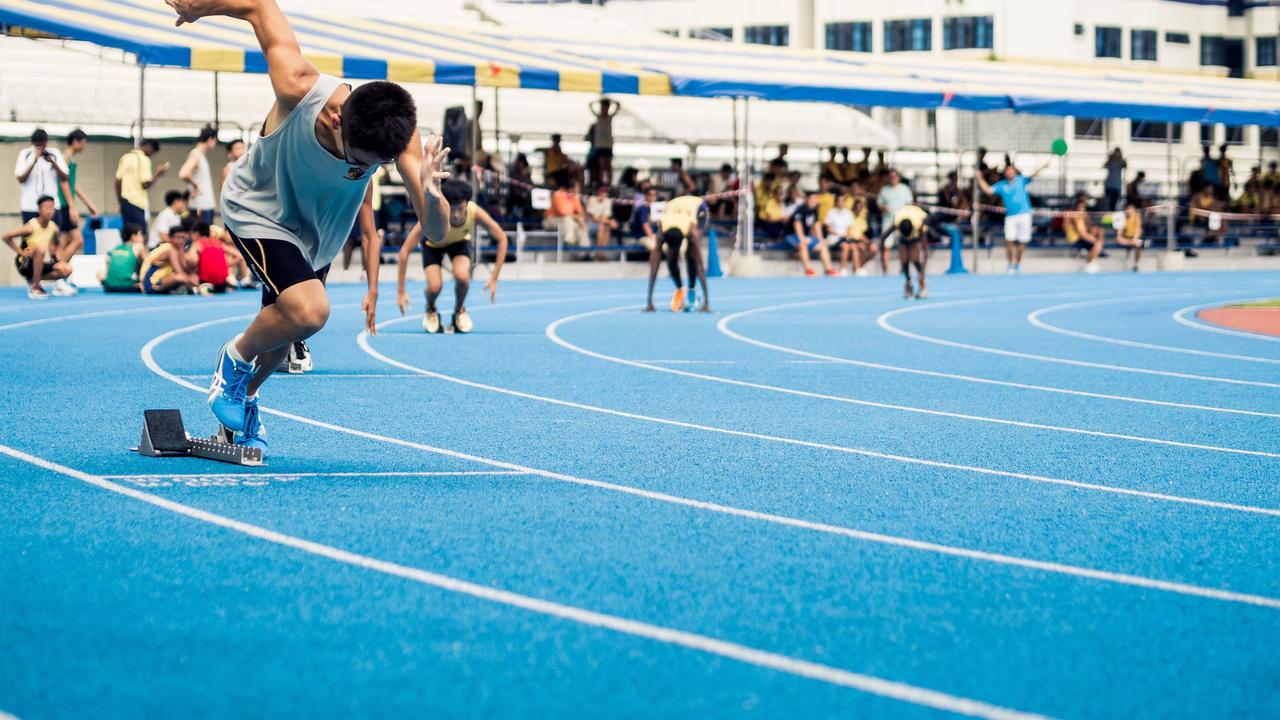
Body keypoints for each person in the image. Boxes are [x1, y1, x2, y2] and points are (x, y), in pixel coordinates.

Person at [170, 0, 450, 458]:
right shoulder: (299, 87)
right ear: (338, 119)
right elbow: (259, 7)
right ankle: (233, 359)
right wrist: (203, 7)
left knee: (280, 341)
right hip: (257, 209)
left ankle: (247, 396)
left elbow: (435, 231)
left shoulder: (397, 139)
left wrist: (432, 194)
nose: (365, 170)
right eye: (361, 163)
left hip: (313, 237)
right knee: (310, 311)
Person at [397, 179, 508, 334]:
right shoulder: (432, 214)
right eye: (451, 209)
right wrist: (401, 291)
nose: (455, 215)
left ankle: (459, 311)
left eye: (460, 209)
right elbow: (404, 251)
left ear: (467, 204)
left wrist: (494, 278)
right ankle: (430, 308)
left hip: (459, 243)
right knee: (435, 287)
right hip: (433, 245)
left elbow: (502, 238)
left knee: (463, 277)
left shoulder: (474, 211)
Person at [975, 159, 1051, 273]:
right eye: (1008, 171)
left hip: (1025, 215)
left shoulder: (1022, 180)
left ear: (1015, 172)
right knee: (1009, 240)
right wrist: (979, 178)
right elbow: (988, 190)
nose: (1010, 172)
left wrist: (1043, 166)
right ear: (1005, 173)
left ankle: (1018, 263)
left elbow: (1034, 174)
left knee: (1022, 241)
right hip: (1010, 217)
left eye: (1012, 170)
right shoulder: (1001, 185)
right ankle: (1010, 265)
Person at [644, 195, 710, 313]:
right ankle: (680, 288)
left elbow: (700, 265)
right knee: (671, 258)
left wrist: (707, 303)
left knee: (692, 253)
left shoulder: (691, 231)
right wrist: (649, 302)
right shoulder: (662, 229)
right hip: (673, 206)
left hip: (698, 207)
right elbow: (653, 267)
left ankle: (692, 290)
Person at [2, 196, 74, 300]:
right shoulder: (31, 227)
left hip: (41, 263)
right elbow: (5, 237)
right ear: (39, 210)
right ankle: (34, 287)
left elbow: (57, 243)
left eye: (51, 207)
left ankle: (35, 279)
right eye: (46, 207)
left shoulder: (53, 227)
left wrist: (56, 254)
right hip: (25, 263)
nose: (49, 210)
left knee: (67, 269)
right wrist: (21, 252)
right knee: (40, 247)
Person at [56, 129, 99, 263]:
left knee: (63, 240)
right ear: (75, 142)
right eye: (84, 142)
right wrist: (71, 206)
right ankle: (59, 269)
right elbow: (64, 184)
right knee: (77, 240)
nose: (84, 146)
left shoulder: (70, 160)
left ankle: (59, 275)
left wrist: (89, 203)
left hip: (64, 204)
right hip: (62, 204)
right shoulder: (65, 159)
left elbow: (73, 184)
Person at [881, 204, 937, 299]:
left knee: (914, 258)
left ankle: (922, 285)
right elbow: (883, 238)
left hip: (915, 231)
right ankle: (908, 282)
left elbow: (925, 251)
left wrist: (922, 274)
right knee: (904, 259)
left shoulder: (920, 225)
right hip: (904, 231)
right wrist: (882, 258)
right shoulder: (897, 221)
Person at [14, 129, 69, 224]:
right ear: (32, 143)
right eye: (38, 145)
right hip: (30, 206)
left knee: (53, 237)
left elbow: (65, 178)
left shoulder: (54, 153)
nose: (41, 148)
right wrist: (34, 160)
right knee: (31, 237)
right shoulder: (25, 154)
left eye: (43, 145)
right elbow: (21, 178)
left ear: (47, 142)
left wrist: (52, 163)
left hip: (51, 207)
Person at [116, 139, 169, 234]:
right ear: (148, 146)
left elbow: (118, 182)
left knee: (129, 236)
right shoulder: (144, 159)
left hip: (125, 202)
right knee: (141, 235)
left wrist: (121, 203)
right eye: (152, 152)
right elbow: (145, 184)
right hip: (137, 203)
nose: (151, 155)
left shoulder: (125, 157)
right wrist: (158, 173)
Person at [140, 221, 203, 295]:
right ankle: (191, 289)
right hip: (151, 283)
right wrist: (197, 286)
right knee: (180, 277)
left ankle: (183, 289)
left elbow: (185, 268)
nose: (180, 240)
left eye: (182, 238)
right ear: (170, 238)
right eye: (177, 237)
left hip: (164, 281)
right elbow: (179, 272)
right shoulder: (169, 249)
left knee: (192, 276)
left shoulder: (180, 249)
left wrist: (192, 265)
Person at [788, 193, 838, 277]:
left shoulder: (815, 210)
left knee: (822, 246)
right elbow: (797, 225)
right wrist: (802, 239)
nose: (814, 201)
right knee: (803, 245)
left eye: (815, 199)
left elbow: (817, 225)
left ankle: (828, 269)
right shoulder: (800, 210)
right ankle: (808, 270)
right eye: (811, 199)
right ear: (806, 200)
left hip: (804, 236)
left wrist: (820, 239)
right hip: (791, 236)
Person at [179, 126, 220, 225]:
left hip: (205, 204)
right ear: (210, 139)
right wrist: (195, 185)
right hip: (201, 205)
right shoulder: (196, 154)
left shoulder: (200, 155)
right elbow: (183, 173)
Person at [876, 170, 914, 273]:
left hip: (901, 221)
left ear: (898, 177)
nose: (893, 178)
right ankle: (885, 270)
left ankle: (903, 268)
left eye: (895, 176)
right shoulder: (884, 190)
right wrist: (884, 208)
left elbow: (909, 204)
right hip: (888, 221)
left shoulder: (904, 189)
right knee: (886, 245)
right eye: (891, 177)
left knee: (903, 245)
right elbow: (879, 204)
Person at [192, 221, 245, 292]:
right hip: (222, 282)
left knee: (192, 270)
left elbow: (191, 259)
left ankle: (200, 287)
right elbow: (240, 255)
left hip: (205, 280)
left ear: (196, 233)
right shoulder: (219, 243)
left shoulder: (196, 243)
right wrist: (226, 264)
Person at [544, 174, 588, 248]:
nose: (575, 191)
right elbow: (563, 212)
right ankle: (568, 242)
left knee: (582, 225)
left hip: (566, 221)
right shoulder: (558, 194)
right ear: (567, 189)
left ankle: (584, 252)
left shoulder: (574, 196)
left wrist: (580, 219)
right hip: (550, 220)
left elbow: (581, 212)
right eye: (574, 189)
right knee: (567, 219)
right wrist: (576, 217)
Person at [1063, 195, 1104, 273]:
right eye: (1080, 207)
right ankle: (1088, 263)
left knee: (1099, 232)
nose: (1081, 209)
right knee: (1098, 244)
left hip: (1081, 237)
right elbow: (1082, 233)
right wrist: (1094, 240)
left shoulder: (1082, 214)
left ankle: (1093, 262)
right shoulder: (1075, 215)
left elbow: (1090, 225)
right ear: (1076, 207)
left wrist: (1094, 230)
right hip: (1075, 239)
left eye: (1083, 207)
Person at [101, 224, 145, 293]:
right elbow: (148, 264)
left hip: (109, 287)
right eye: (140, 234)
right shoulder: (139, 246)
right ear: (133, 236)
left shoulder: (116, 248)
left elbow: (107, 263)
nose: (143, 237)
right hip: (127, 287)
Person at [589, 98, 619, 186]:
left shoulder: (610, 117)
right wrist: (598, 100)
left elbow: (618, 106)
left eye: (606, 107)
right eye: (603, 107)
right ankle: (601, 183)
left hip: (608, 145)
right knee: (601, 166)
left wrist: (611, 101)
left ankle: (609, 183)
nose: (605, 109)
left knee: (608, 165)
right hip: (600, 145)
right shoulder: (598, 117)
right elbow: (590, 106)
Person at [585, 184, 617, 260]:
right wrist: (610, 222)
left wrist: (607, 221)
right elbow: (594, 218)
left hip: (601, 224)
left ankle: (602, 253)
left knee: (605, 227)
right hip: (589, 225)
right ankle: (598, 253)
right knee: (602, 226)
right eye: (602, 193)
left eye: (605, 193)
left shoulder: (607, 201)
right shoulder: (591, 199)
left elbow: (604, 217)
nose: (604, 194)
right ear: (598, 193)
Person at [1115, 202, 1146, 272]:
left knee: (1137, 243)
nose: (1130, 212)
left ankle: (1136, 263)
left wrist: (1135, 238)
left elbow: (1138, 228)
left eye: (1131, 210)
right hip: (1126, 238)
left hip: (1134, 237)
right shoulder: (1122, 217)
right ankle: (1133, 243)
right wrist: (1132, 241)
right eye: (1128, 210)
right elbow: (1119, 235)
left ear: (1134, 210)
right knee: (1119, 239)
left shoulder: (1137, 216)